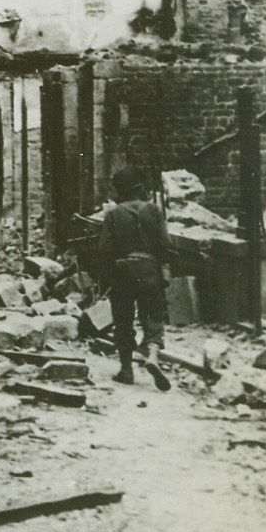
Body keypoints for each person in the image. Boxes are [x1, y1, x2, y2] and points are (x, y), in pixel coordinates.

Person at [97, 165, 172, 391]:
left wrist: (107, 274)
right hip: (149, 270)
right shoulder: (154, 211)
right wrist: (162, 269)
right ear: (139, 189)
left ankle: (126, 370)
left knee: (123, 319)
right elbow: (165, 245)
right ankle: (153, 356)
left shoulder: (113, 214)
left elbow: (104, 249)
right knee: (153, 316)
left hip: (123, 272)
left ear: (120, 191)